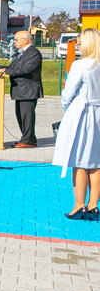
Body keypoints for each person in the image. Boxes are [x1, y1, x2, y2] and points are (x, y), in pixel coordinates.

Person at [52, 28, 100, 220]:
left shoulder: (81, 65)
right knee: (96, 162)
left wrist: (67, 109)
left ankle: (79, 205)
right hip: (98, 112)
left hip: (83, 113)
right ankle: (93, 205)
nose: (77, 45)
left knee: (79, 161)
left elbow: (68, 93)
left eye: (79, 42)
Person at [0, 30, 43, 147]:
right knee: (21, 115)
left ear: (26, 40)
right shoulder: (22, 53)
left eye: (17, 40)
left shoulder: (34, 53)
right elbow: (12, 68)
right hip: (21, 90)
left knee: (27, 116)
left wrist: (6, 71)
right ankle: (29, 138)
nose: (14, 42)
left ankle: (27, 141)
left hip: (28, 89)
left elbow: (26, 70)